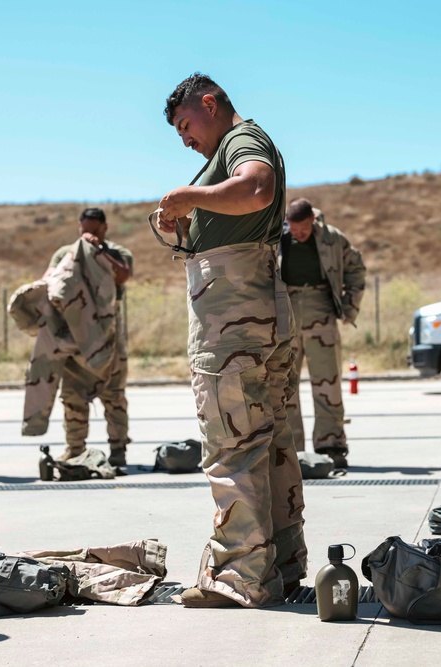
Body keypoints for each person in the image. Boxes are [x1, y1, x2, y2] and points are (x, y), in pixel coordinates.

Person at [157, 73, 306, 608]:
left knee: (233, 445)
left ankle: (239, 576)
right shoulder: (235, 146)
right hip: (255, 311)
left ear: (210, 103)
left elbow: (256, 187)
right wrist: (190, 222)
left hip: (233, 322)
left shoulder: (242, 142)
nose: (185, 138)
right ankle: (281, 565)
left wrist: (186, 195)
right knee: (269, 442)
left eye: (185, 124)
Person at [44, 207, 133, 467]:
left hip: (109, 334)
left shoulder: (118, 252)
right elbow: (51, 280)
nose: (89, 235)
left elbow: (123, 275)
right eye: (85, 230)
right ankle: (75, 449)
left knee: (114, 395)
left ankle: (118, 451)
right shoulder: (64, 253)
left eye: (94, 230)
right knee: (72, 395)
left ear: (104, 228)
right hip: (76, 334)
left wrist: (100, 252)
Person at [280, 198, 365, 468]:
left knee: (327, 383)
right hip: (286, 316)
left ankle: (331, 444)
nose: (298, 234)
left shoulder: (332, 239)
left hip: (321, 312)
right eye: (293, 229)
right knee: (284, 385)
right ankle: (289, 448)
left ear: (313, 220)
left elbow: (356, 268)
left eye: (302, 228)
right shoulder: (275, 239)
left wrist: (348, 307)